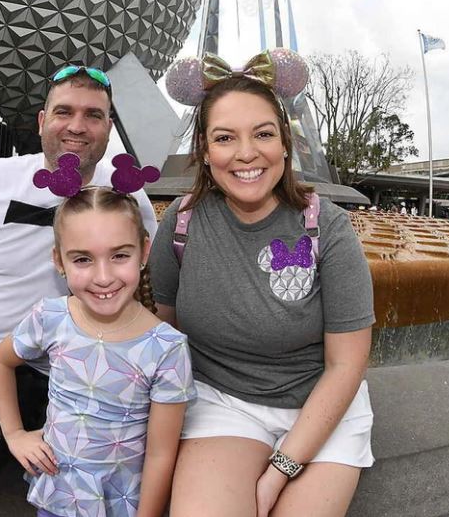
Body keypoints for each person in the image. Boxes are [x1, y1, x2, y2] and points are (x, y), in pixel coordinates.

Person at [0, 65, 157, 517]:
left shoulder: (128, 203)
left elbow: (129, 298)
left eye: (93, 115)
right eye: (64, 112)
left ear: (108, 128)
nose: (77, 126)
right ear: (42, 121)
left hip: (25, 362)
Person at [149, 49, 375, 517]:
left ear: (285, 144)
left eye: (263, 134)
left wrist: (280, 470)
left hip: (322, 406)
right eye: (225, 137)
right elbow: (165, 332)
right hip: (222, 403)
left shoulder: (327, 228)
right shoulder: (180, 225)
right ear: (205, 152)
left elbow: (346, 366)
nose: (246, 153)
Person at [0, 187, 194, 517]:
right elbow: (0, 360)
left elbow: (161, 454)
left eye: (119, 256)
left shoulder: (167, 348)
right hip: (58, 496)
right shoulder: (50, 317)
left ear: (144, 252)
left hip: (123, 504)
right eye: (83, 259)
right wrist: (14, 434)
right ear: (59, 260)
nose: (103, 277)